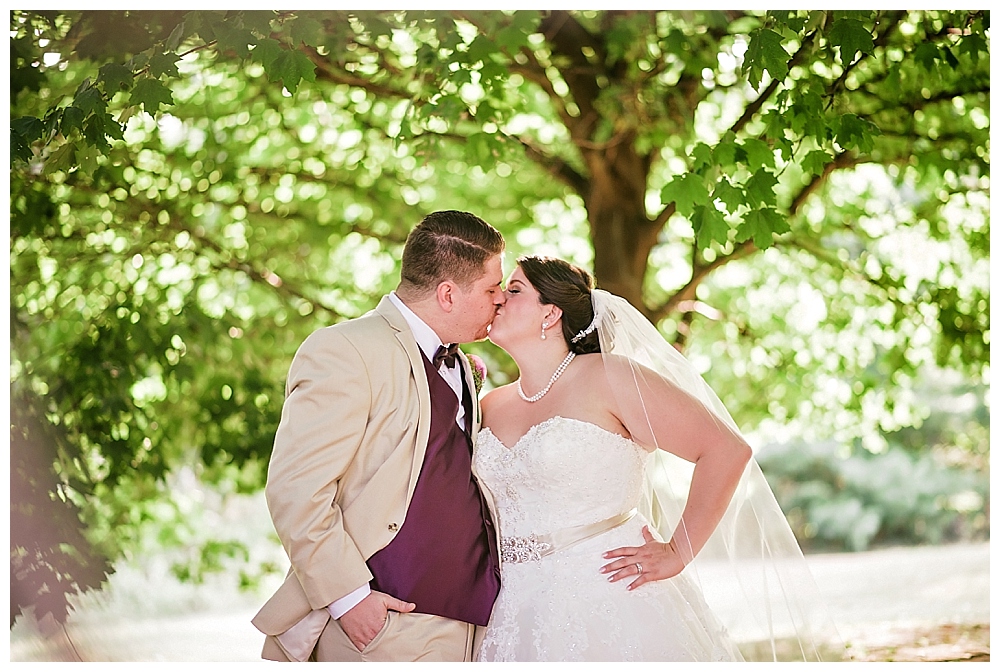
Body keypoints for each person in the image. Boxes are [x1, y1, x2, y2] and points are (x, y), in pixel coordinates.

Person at [473, 255, 841, 661]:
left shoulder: (610, 377)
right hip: (512, 607)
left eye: (514, 289)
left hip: (610, 593)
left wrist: (677, 552)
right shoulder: (490, 403)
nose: (498, 299)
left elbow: (725, 449)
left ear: (551, 313)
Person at [251, 210, 506, 662]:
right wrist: (350, 600)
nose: (500, 300)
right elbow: (296, 489)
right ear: (448, 294)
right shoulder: (345, 349)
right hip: (384, 624)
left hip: (471, 625)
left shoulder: (463, 366)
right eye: (491, 289)